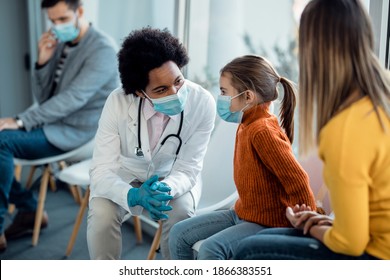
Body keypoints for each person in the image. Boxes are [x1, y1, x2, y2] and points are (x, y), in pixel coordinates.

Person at [234, 0, 390, 260]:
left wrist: (316, 227)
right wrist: (322, 222)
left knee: (250, 250)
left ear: (312, 49)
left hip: (377, 256)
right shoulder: (379, 101)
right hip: (376, 237)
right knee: (260, 240)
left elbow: (350, 243)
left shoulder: (344, 129)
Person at [168, 54, 318, 260]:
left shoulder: (262, 131)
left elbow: (298, 180)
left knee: (211, 250)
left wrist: (307, 223)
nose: (219, 97)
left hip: (267, 222)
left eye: (223, 91)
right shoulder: (246, 123)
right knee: (179, 233)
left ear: (248, 97)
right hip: (242, 213)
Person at [87, 27, 216, 260]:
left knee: (181, 215)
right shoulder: (117, 102)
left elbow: (189, 167)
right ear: (140, 92)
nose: (175, 93)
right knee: (101, 216)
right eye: (161, 89)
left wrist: (169, 187)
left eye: (178, 81)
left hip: (174, 175)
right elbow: (101, 170)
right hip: (127, 173)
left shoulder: (202, 102)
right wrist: (133, 195)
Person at [0, 0, 119, 252]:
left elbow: (72, 98)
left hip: (77, 133)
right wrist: (43, 62)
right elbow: (45, 98)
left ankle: (22, 212)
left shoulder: (103, 50)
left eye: (63, 19)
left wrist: (21, 120)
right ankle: (29, 208)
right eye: (52, 20)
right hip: (53, 123)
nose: (57, 26)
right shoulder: (63, 44)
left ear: (80, 12)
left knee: (2, 142)